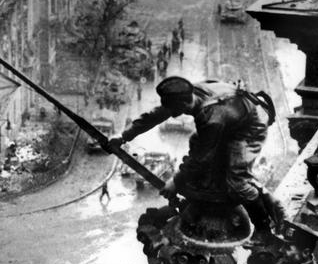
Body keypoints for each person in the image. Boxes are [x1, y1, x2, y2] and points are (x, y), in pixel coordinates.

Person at [108, 76, 281, 239]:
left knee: (236, 181)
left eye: (171, 108)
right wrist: (124, 136)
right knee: (196, 140)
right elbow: (157, 114)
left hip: (252, 125)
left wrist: (176, 181)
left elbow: (201, 157)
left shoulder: (211, 118)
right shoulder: (189, 92)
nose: (169, 112)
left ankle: (263, 229)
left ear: (183, 103)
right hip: (234, 116)